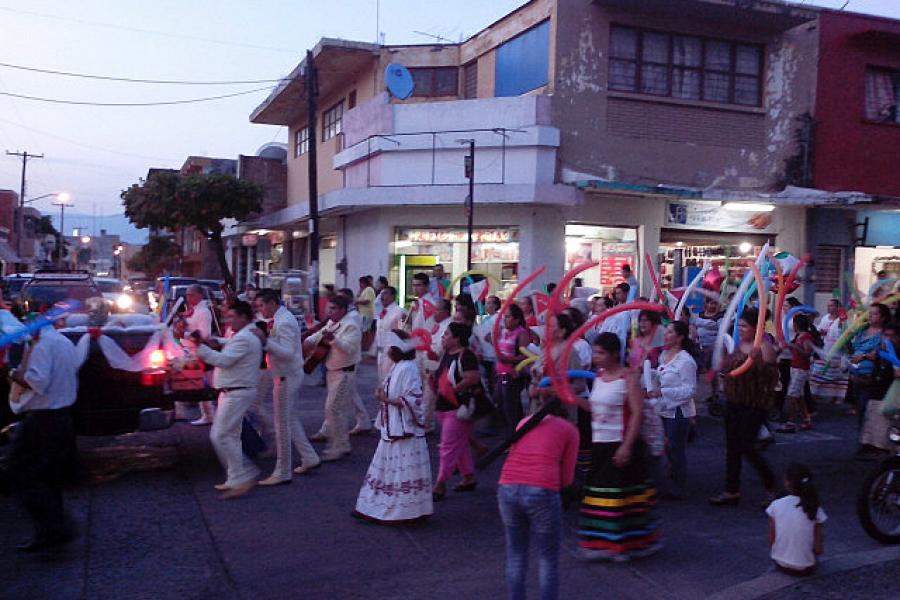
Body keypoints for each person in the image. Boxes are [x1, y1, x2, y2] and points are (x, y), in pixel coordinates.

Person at [577, 333, 660, 561]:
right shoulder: (600, 376)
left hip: (621, 444)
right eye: (595, 352)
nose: (596, 357)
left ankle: (626, 545)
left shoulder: (629, 378)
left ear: (614, 354)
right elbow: (595, 409)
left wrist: (626, 446)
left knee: (620, 500)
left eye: (601, 352)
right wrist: (571, 398)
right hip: (600, 445)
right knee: (600, 497)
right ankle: (602, 544)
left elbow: (637, 413)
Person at [7, 313, 80, 552]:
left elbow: (38, 381)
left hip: (42, 421)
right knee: (51, 478)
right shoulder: (64, 343)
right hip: (62, 419)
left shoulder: (43, 347)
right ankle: (51, 534)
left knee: (21, 474)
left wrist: (14, 375)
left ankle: (55, 527)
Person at [497, 395, 578, 600]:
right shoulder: (569, 430)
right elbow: (567, 479)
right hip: (542, 490)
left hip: (507, 487)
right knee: (547, 558)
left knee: (515, 554)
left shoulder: (525, 422)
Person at [354, 330, 433, 524]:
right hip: (393, 427)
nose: (388, 351)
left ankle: (403, 512)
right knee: (389, 470)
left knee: (400, 471)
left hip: (403, 429)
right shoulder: (399, 366)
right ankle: (382, 508)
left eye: (391, 347)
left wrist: (385, 398)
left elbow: (413, 400)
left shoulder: (407, 368)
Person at [195, 301, 264, 499]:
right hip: (232, 390)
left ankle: (243, 475)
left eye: (232, 316)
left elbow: (224, 360)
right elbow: (231, 346)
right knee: (231, 435)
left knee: (220, 436)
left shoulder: (244, 338)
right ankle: (235, 477)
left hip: (237, 392)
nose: (228, 320)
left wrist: (201, 349)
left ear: (243, 317)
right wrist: (215, 342)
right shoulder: (244, 335)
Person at [710, 308, 778, 507]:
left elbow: (772, 378)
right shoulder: (740, 346)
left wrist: (758, 362)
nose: (740, 329)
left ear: (756, 328)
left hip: (754, 404)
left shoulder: (764, 348)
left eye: (744, 326)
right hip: (734, 401)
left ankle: (771, 485)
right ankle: (731, 490)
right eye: (739, 326)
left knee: (747, 447)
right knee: (732, 447)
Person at [254, 289, 320, 485]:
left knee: (281, 424)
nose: (259, 310)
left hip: (286, 377)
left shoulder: (284, 321)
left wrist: (266, 342)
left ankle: (283, 470)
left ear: (272, 303)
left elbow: (289, 353)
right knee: (289, 420)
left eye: (261, 305)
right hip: (283, 375)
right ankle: (309, 457)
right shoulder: (278, 319)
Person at [303, 296, 362, 462]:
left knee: (333, 408)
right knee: (335, 409)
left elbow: (349, 349)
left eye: (334, 309)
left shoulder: (351, 325)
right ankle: (341, 443)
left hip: (344, 372)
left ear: (342, 310)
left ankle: (339, 445)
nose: (330, 312)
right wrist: (306, 342)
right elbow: (316, 337)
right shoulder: (331, 324)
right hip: (332, 371)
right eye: (329, 309)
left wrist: (333, 340)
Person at [647, 321, 697, 499]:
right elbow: (661, 377)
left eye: (669, 332)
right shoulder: (663, 355)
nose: (665, 335)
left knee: (676, 450)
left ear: (680, 337)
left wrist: (663, 392)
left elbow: (690, 390)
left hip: (678, 411)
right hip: (661, 409)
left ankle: (678, 488)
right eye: (665, 332)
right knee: (660, 447)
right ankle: (660, 483)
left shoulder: (685, 361)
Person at [431, 322, 481, 501]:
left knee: (448, 446)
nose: (443, 337)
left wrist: (454, 390)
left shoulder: (466, 356)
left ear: (457, 338)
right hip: (444, 406)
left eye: (446, 335)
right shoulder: (447, 353)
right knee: (459, 444)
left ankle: (440, 483)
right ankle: (468, 476)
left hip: (458, 408)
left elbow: (473, 378)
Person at [766, 464, 826, 576]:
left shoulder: (776, 505)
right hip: (807, 567)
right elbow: (818, 548)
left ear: (787, 483)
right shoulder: (814, 508)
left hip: (781, 562)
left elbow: (771, 539)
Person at [495, 305, 533, 441]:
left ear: (517, 319)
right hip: (501, 372)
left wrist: (508, 360)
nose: (505, 319)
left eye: (508, 316)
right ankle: (513, 434)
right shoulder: (503, 331)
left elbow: (526, 355)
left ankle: (514, 437)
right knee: (502, 402)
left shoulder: (522, 334)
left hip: (513, 374)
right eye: (504, 316)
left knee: (510, 406)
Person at [848, 303, 889, 427]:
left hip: (871, 377)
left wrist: (864, 357)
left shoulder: (885, 334)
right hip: (856, 376)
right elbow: (853, 350)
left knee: (869, 411)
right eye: (870, 313)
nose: (870, 316)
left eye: (874, 314)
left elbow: (881, 354)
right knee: (860, 410)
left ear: (883, 317)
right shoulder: (862, 331)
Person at [183, 284, 216, 426]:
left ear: (200, 295)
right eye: (187, 295)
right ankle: (207, 414)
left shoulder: (203, 312)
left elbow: (204, 334)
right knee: (199, 385)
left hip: (199, 352)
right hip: (190, 351)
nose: (188, 298)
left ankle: (210, 415)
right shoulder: (193, 310)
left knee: (204, 385)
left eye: (192, 295)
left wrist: (184, 333)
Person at [778, 314, 817, 433]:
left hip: (801, 369)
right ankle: (807, 419)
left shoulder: (806, 337)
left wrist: (793, 346)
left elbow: (807, 353)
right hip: (795, 367)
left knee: (791, 396)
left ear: (796, 325)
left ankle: (791, 422)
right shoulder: (798, 336)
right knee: (799, 396)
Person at [423, 298, 453, 431]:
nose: (434, 313)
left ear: (445, 312)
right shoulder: (438, 324)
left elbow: (440, 348)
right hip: (431, 364)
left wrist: (431, 351)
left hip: (438, 366)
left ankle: (425, 425)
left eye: (437, 310)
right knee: (428, 399)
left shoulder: (448, 326)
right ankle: (427, 424)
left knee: (431, 399)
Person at [810, 299, 848, 403]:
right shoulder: (825, 318)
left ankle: (836, 397)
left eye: (831, 306)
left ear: (837, 307)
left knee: (836, 377)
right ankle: (816, 395)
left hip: (837, 352)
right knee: (818, 373)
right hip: (824, 350)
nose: (828, 308)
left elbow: (845, 333)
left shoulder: (842, 320)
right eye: (828, 305)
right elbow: (819, 331)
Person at [375, 286, 406, 384]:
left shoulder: (399, 312)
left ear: (393, 296)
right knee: (382, 381)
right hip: (380, 352)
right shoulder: (382, 312)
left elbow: (403, 333)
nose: (382, 296)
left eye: (385, 293)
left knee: (390, 382)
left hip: (391, 352)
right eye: (381, 294)